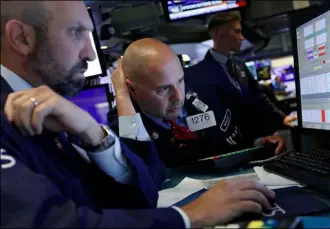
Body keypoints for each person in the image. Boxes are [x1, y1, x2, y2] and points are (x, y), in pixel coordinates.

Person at [0, 1, 277, 228]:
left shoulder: (50, 113)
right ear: (21, 38)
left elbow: (132, 193)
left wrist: (91, 131)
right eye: (75, 32)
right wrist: (188, 217)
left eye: (89, 34)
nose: (89, 52)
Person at [108, 38, 285, 168]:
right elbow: (141, 163)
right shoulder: (126, 121)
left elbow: (228, 133)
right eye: (163, 89)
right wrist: (122, 95)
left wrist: (256, 142)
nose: (178, 97)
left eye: (179, 81)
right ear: (132, 89)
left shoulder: (204, 85)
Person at [185, 11, 297, 136]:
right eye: (237, 31)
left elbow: (259, 96)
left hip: (254, 139)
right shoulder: (199, 74)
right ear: (218, 34)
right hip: (228, 143)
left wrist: (282, 117)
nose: (242, 37)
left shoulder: (239, 65)